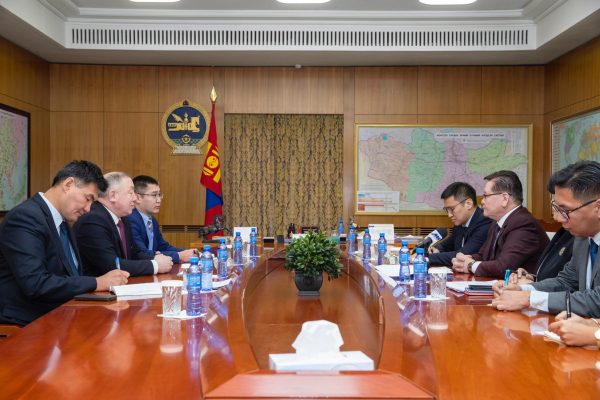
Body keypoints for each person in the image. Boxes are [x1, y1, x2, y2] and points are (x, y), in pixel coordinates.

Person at [0, 160, 129, 325]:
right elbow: (36, 283)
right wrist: (98, 282)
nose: (88, 209)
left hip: (64, 313)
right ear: (68, 184)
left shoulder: (63, 221)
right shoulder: (26, 218)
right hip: (28, 321)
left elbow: (71, 276)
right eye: (87, 198)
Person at [491, 160, 600, 317]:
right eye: (556, 208)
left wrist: (530, 299)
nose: (557, 218)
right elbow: (566, 282)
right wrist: (522, 290)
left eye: (565, 210)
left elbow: (597, 300)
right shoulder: (582, 238)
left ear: (598, 207)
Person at [451, 170, 548, 278]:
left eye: (486, 196)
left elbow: (504, 267)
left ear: (504, 199)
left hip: (522, 287)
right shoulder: (497, 222)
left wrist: (470, 265)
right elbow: (484, 255)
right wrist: (464, 261)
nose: (482, 201)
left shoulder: (524, 224)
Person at [74, 172, 173, 277]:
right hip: (96, 286)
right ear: (113, 196)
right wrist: (155, 265)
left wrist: (154, 257)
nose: (135, 198)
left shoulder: (123, 219)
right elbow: (112, 265)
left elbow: (134, 253)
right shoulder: (93, 220)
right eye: (131, 193)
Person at [129, 175, 196, 263]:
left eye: (159, 195)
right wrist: (179, 256)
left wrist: (187, 252)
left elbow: (162, 247)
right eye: (154, 195)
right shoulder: (130, 220)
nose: (159, 200)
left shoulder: (152, 220)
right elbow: (141, 254)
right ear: (137, 198)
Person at [427, 182, 492, 266]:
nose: (449, 215)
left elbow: (462, 255)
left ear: (468, 204)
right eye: (446, 210)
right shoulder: (460, 222)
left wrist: (426, 258)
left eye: (452, 209)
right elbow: (447, 245)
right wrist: (436, 249)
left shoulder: (485, 222)